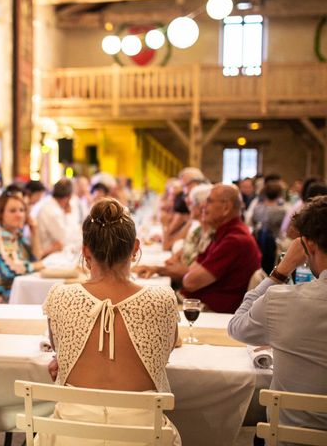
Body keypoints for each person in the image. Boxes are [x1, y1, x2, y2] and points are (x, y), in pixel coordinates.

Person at [40, 199, 181, 446]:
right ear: (135, 248)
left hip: (70, 436)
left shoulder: (60, 296)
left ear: (86, 251)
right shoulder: (163, 299)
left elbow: (60, 351)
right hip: (143, 435)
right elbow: (164, 352)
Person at [228, 196, 327, 442]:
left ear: (309, 245)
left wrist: (281, 270)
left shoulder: (281, 301)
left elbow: (237, 326)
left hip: (289, 439)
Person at [181, 184, 261, 313]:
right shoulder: (223, 233)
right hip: (200, 304)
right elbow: (192, 270)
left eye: (209, 201)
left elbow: (190, 282)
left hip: (212, 312)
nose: (203, 207)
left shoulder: (235, 240)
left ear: (226, 208)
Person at [133, 183, 214, 284]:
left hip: (186, 286)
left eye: (191, 203)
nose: (188, 205)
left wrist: (165, 225)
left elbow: (192, 277)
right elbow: (184, 249)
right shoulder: (197, 227)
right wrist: (175, 257)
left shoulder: (203, 228)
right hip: (181, 279)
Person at [0, 191, 44, 302]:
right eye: (12, 211)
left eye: (22, 210)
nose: (19, 215)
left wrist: (34, 232)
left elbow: (35, 258)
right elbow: (11, 270)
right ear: (1, 214)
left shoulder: (15, 236)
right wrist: (39, 265)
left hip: (10, 296)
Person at [36, 179, 81, 254]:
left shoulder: (50, 204)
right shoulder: (52, 211)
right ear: (69, 197)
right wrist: (69, 214)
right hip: (47, 253)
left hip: (54, 251)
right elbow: (65, 239)